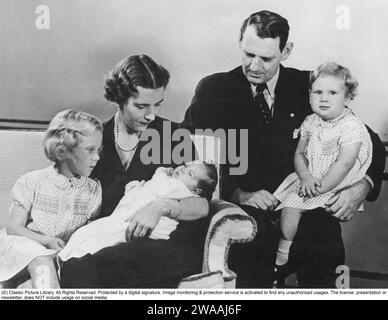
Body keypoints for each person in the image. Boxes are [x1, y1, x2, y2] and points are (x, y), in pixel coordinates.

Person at [182, 11, 385, 288]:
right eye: (248, 54)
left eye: (266, 58)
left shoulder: (309, 87)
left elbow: (369, 140)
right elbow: (189, 154)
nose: (254, 66)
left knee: (325, 250)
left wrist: (361, 186)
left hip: (306, 209)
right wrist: (237, 192)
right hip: (245, 214)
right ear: (240, 42)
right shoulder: (213, 90)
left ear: (286, 51)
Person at [60, 54, 210, 288]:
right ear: (119, 99)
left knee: (95, 266)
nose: (151, 115)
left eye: (157, 104)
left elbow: (202, 204)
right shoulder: (94, 140)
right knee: (83, 265)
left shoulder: (173, 136)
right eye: (141, 106)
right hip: (112, 240)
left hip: (166, 244)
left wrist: (161, 206)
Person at [273, 62, 372, 267]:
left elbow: (344, 163)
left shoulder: (351, 126)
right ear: (309, 94)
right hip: (311, 177)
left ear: (347, 97)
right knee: (289, 207)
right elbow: (299, 153)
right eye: (317, 92)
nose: (324, 98)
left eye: (333, 93)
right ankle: (283, 250)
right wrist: (306, 177)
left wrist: (320, 188)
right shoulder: (310, 121)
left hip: (336, 182)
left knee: (318, 225)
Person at [0, 109, 103, 288]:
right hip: (23, 246)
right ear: (63, 151)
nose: (97, 157)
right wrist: (46, 241)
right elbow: (13, 228)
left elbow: (87, 233)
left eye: (99, 150)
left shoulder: (93, 189)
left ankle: (19, 288)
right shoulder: (32, 181)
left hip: (58, 253)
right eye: (90, 150)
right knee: (43, 264)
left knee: (35, 284)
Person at [58, 161, 217, 262]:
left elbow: (160, 185)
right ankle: (64, 256)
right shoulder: (173, 184)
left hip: (141, 229)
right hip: (123, 218)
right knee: (85, 232)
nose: (182, 169)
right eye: (186, 165)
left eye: (189, 173)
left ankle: (68, 259)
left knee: (98, 241)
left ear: (196, 190)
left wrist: (162, 172)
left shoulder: (179, 188)